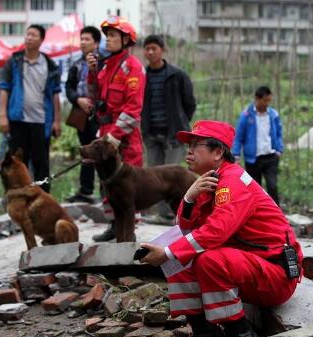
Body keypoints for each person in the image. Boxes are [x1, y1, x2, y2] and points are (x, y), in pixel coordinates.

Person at [139, 120, 302, 337]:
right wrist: (188, 198)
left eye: (196, 145)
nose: (188, 152)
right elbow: (185, 232)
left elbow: (216, 232)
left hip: (275, 276)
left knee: (205, 259)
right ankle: (203, 331)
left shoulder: (232, 182)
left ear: (217, 152)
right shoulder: (211, 182)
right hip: (248, 268)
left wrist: (168, 252)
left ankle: (240, 332)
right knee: (179, 259)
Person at [87, 16, 146, 242]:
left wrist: (114, 136)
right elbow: (95, 96)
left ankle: (128, 231)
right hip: (105, 131)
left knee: (127, 184)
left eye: (113, 36)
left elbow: (133, 109)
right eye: (107, 36)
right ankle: (114, 226)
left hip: (124, 137)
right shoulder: (106, 66)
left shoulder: (133, 68)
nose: (108, 40)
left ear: (125, 40)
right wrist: (92, 72)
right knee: (106, 181)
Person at [0, 24, 61, 193]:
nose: (29, 37)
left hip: (41, 122)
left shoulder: (50, 65)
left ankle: (42, 199)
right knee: (17, 164)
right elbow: (5, 88)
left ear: (41, 40)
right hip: (18, 120)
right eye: (27, 34)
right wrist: (3, 116)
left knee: (41, 165)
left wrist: (57, 121)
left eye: (33, 35)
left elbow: (55, 94)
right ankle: (16, 198)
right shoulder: (14, 61)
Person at [141, 34, 197, 220]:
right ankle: (163, 215)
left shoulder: (177, 74)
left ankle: (182, 215)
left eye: (154, 48)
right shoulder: (142, 76)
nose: (150, 52)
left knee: (173, 176)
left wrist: (180, 120)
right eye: (147, 49)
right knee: (154, 177)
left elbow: (189, 103)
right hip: (151, 133)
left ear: (162, 50)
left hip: (173, 133)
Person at [65, 26, 102, 204]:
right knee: (86, 151)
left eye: (87, 39)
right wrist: (78, 100)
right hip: (82, 114)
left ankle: (106, 191)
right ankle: (86, 191)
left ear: (96, 42)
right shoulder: (76, 64)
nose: (83, 42)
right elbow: (69, 88)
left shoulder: (105, 62)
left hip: (101, 116)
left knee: (103, 153)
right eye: (81, 39)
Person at [232, 86, 283, 205]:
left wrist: (279, 149)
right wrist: (236, 154)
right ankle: (257, 214)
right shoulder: (246, 116)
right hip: (253, 159)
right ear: (257, 99)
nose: (266, 104)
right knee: (254, 189)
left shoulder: (273, 115)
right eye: (264, 100)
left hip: (271, 156)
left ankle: (276, 214)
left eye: (269, 101)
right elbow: (239, 136)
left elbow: (279, 133)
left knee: (272, 186)